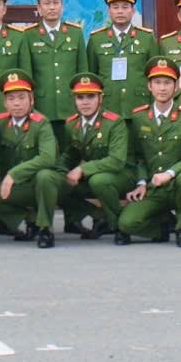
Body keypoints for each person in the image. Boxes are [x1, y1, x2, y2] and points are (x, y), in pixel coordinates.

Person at [117, 59, 181, 246]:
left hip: (178, 185)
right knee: (126, 224)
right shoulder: (139, 116)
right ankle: (161, 228)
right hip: (152, 187)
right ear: (149, 86)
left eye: (167, 83)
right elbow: (137, 156)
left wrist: (170, 173)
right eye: (157, 82)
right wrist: (141, 182)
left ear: (176, 86)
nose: (162, 88)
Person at [0, 72, 62, 247]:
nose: (16, 103)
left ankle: (45, 229)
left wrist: (13, 174)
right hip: (17, 187)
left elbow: (47, 158)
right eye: (11, 99)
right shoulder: (3, 124)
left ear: (31, 99)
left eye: (21, 97)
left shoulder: (41, 123)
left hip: (40, 185)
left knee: (45, 176)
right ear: (4, 103)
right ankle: (30, 219)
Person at [57, 73, 132, 241]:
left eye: (91, 96)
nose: (85, 102)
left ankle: (118, 225)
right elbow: (69, 155)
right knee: (56, 183)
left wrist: (81, 169)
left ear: (100, 98)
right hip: (93, 175)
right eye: (80, 97)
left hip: (122, 175)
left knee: (99, 180)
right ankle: (98, 215)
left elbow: (116, 161)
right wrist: (59, 172)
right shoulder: (72, 124)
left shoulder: (114, 122)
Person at [83, 0, 158, 120]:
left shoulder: (146, 38)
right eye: (115, 7)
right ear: (109, 11)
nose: (120, 11)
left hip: (140, 108)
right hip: (107, 109)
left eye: (125, 7)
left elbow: (155, 76)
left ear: (133, 10)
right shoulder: (96, 39)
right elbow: (91, 76)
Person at [20, 0, 83, 124]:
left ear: (62, 6)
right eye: (47, 3)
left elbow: (83, 72)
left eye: (56, 2)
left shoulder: (75, 33)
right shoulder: (28, 35)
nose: (52, 7)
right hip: (42, 108)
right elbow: (27, 74)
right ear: (39, 8)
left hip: (71, 107)